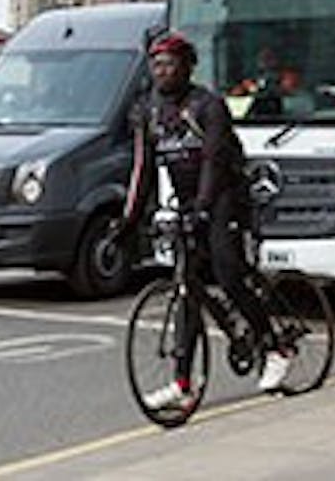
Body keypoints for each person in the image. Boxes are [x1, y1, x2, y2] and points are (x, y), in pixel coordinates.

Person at [124, 32, 291, 411]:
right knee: (186, 289)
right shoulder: (149, 112)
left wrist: (202, 207)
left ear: (187, 67)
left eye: (169, 64)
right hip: (189, 202)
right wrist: (128, 221)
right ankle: (183, 382)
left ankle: (276, 345)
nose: (161, 71)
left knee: (229, 273)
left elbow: (215, 161)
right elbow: (142, 169)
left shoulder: (208, 105)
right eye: (156, 65)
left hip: (226, 199)